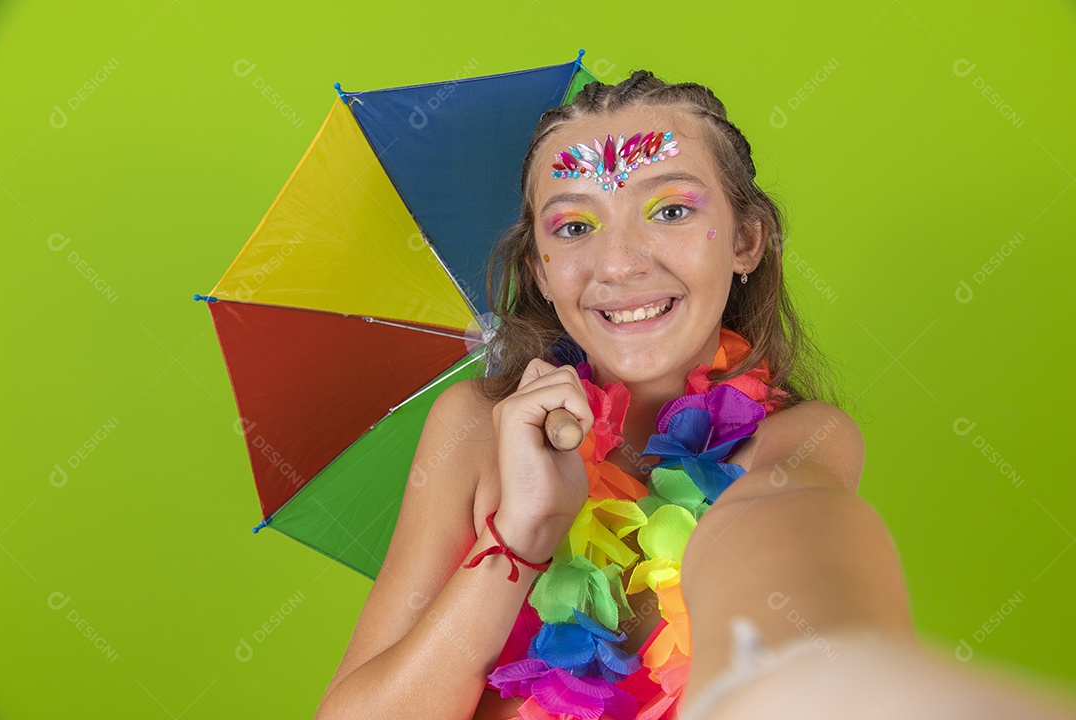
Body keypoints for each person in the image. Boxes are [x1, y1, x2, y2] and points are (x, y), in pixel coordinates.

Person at [314, 70, 1075, 720]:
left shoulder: (795, 437)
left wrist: (829, 676)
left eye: (671, 211)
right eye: (574, 226)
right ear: (541, 272)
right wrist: (522, 534)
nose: (618, 263)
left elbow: (778, 524)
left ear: (747, 240)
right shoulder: (475, 429)